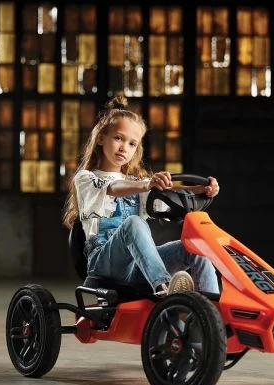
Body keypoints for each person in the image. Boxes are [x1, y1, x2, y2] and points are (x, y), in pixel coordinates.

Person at [62, 96, 220, 298]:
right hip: (104, 263)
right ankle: (164, 288)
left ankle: (209, 307)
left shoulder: (135, 182)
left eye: (132, 144)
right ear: (101, 138)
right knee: (134, 222)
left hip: (138, 265)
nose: (124, 148)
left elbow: (167, 193)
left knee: (196, 248)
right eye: (118, 138)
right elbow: (114, 187)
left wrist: (201, 189)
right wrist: (146, 184)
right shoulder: (86, 179)